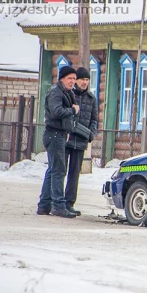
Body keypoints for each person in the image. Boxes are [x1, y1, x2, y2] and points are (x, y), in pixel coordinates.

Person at [37, 65, 80, 218]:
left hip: (59, 134)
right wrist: (73, 110)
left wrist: (67, 131)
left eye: (74, 79)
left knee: (53, 170)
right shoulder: (56, 92)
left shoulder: (66, 92)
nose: (73, 81)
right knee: (58, 171)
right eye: (70, 78)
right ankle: (58, 206)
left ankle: (44, 205)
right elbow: (56, 112)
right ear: (62, 78)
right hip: (54, 135)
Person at [64, 67, 98, 216]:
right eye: (82, 79)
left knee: (74, 173)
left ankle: (69, 203)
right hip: (67, 139)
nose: (84, 82)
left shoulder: (91, 98)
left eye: (86, 80)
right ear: (76, 80)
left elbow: (94, 119)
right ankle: (56, 201)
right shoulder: (69, 95)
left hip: (81, 140)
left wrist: (91, 133)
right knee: (60, 170)